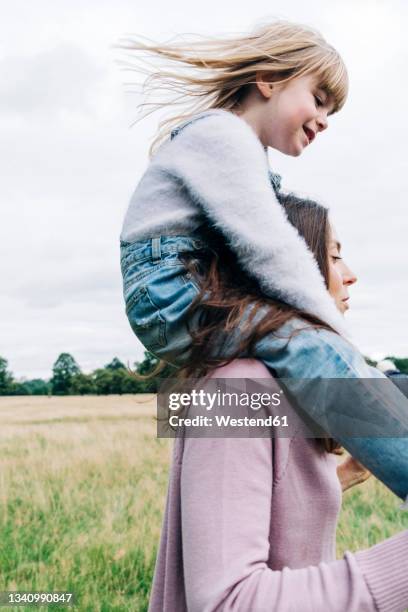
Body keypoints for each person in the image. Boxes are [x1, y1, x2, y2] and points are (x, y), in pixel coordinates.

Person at [119, 20, 408, 499]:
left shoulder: (238, 154)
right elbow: (270, 249)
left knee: (335, 362)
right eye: (318, 99)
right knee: (316, 349)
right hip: (172, 291)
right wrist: (331, 332)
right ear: (270, 79)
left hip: (182, 289)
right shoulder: (222, 136)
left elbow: (282, 498)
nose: (325, 119)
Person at [148, 194, 408, 612]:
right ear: (287, 273)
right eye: (335, 257)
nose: (351, 275)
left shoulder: (277, 387)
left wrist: (338, 478)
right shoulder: (235, 390)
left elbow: (257, 512)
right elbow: (226, 602)